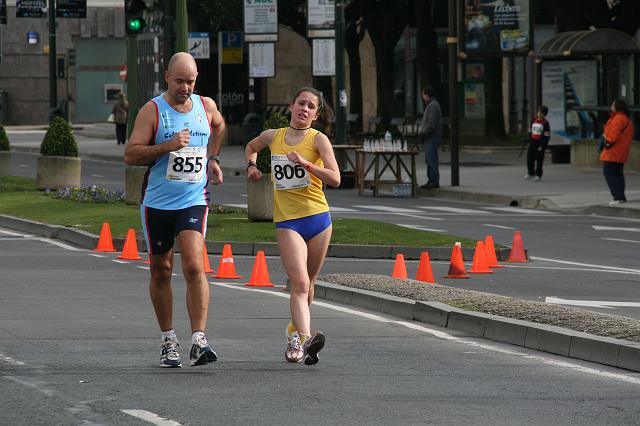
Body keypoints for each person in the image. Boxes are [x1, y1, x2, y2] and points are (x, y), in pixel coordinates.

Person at [123, 52, 226, 368]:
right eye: (180, 81)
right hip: (157, 203)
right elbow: (130, 155)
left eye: (191, 81)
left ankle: (199, 340)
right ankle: (168, 339)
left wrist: (212, 158)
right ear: (166, 76)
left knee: (195, 265)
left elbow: (220, 126)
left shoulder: (205, 106)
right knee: (161, 269)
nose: (185, 87)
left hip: (193, 199)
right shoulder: (152, 111)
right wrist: (167, 146)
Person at [245, 87, 340, 365]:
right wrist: (251, 166)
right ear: (291, 106)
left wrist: (307, 164)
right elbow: (251, 147)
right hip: (289, 222)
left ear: (316, 114)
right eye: (301, 103)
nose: (305, 109)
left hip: (319, 219)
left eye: (311, 106)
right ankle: (307, 340)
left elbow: (335, 178)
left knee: (308, 285)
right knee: (298, 284)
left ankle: (293, 333)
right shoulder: (273, 137)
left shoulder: (318, 140)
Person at [600, 99, 634, 205]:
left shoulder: (618, 118)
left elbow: (613, 136)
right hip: (621, 151)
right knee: (618, 173)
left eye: (612, 105)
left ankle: (618, 196)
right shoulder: (626, 119)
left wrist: (606, 140)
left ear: (617, 107)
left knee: (609, 173)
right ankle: (621, 196)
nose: (611, 106)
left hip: (613, 151)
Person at [419, 87, 442, 189]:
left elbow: (431, 123)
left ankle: (433, 180)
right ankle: (431, 180)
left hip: (432, 136)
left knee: (431, 160)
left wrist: (423, 132)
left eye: (423, 94)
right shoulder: (432, 105)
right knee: (430, 159)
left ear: (427, 95)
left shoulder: (432, 106)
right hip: (432, 136)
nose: (422, 96)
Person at [523, 105, 550, 182]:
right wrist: (529, 140)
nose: (539, 114)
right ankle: (531, 173)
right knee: (529, 158)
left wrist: (542, 145)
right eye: (539, 112)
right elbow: (530, 130)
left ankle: (539, 175)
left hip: (540, 143)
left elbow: (547, 135)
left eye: (541, 113)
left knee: (539, 160)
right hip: (533, 142)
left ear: (544, 114)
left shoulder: (545, 123)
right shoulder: (533, 120)